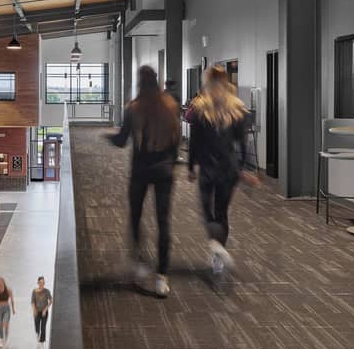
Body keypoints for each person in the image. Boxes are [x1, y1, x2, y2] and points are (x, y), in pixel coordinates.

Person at [108, 65, 180, 298]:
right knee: (164, 223)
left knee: (136, 217)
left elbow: (121, 141)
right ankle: (162, 278)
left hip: (140, 170)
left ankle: (139, 262)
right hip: (164, 171)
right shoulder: (170, 107)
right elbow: (176, 141)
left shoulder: (133, 108)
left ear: (139, 82)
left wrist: (107, 136)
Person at [186, 64, 259, 275]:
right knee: (221, 213)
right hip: (229, 169)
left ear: (206, 81)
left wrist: (191, 167)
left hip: (210, 168)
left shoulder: (201, 106)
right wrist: (244, 169)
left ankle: (216, 247)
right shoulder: (236, 107)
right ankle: (219, 252)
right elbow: (242, 143)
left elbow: (195, 142)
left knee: (207, 211)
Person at [0, 277, 15, 349]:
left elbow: (12, 300)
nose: (0, 283)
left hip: (7, 309)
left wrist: (13, 309)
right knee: (0, 325)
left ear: (4, 282)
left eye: (2, 281)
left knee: (5, 324)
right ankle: (1, 339)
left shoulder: (8, 290)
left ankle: (5, 339)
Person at [31, 276, 52, 349]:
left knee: (43, 327)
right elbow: (32, 301)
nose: (41, 284)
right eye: (40, 282)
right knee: (37, 327)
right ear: (38, 283)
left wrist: (45, 309)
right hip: (37, 312)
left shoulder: (47, 291)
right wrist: (34, 310)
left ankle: (42, 344)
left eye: (43, 283)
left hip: (44, 312)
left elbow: (50, 300)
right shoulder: (34, 291)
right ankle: (37, 333)